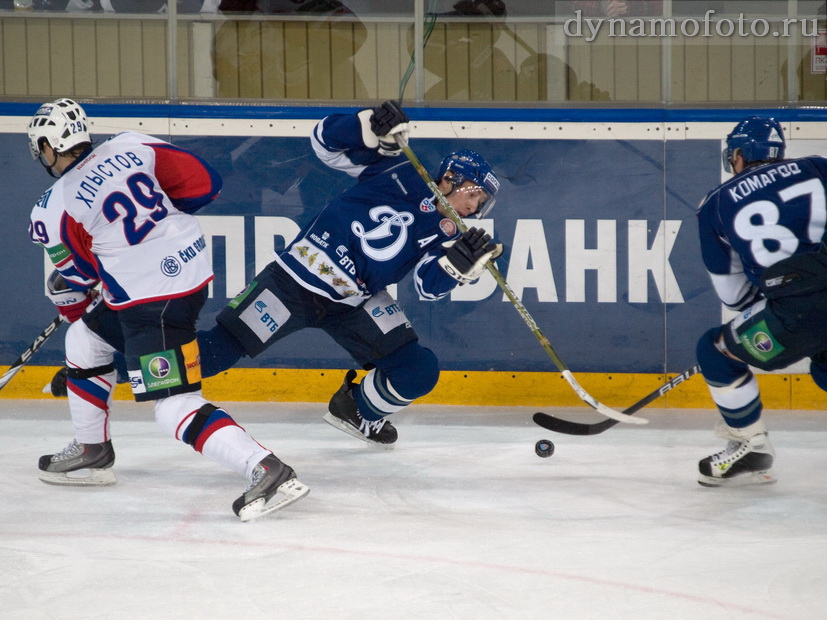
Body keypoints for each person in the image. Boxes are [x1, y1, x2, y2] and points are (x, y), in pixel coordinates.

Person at [27, 98, 308, 520]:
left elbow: (83, 278)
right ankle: (92, 449)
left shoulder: (50, 208)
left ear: (49, 146)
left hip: (151, 300)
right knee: (85, 338)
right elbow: (204, 184)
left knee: (173, 405)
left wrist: (82, 283)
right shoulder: (131, 143)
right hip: (189, 269)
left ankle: (265, 467)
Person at [194, 100, 502, 446]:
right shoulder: (398, 169)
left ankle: (355, 410)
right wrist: (367, 126)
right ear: (450, 178)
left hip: (355, 301)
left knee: (417, 371)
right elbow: (324, 143)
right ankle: (132, 362)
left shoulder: (452, 233)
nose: (474, 207)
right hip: (293, 282)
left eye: (480, 203)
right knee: (216, 353)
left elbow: (427, 287)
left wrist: (457, 267)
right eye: (473, 195)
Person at [695, 116, 827, 487]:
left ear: (737, 155)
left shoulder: (715, 204)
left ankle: (751, 445)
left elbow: (733, 296)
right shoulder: (817, 166)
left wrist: (774, 295)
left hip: (796, 314)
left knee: (716, 350)